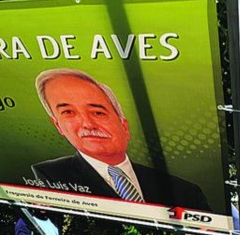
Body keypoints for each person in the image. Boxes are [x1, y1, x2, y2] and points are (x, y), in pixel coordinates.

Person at [31, 68, 210, 211]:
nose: (87, 124)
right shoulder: (49, 177)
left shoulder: (185, 191)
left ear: (125, 126)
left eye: (98, 113)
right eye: (68, 112)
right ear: (58, 125)